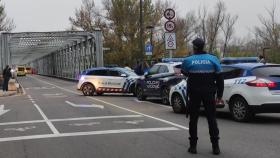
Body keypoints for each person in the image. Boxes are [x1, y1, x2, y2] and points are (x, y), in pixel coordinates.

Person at [181, 38, 224, 155]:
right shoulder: (213, 58)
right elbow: (220, 79)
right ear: (203, 47)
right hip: (209, 93)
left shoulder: (188, 60)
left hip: (194, 94)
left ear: (194, 47)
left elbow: (184, 72)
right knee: (212, 119)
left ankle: (193, 147)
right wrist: (219, 95)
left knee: (193, 120)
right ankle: (216, 147)